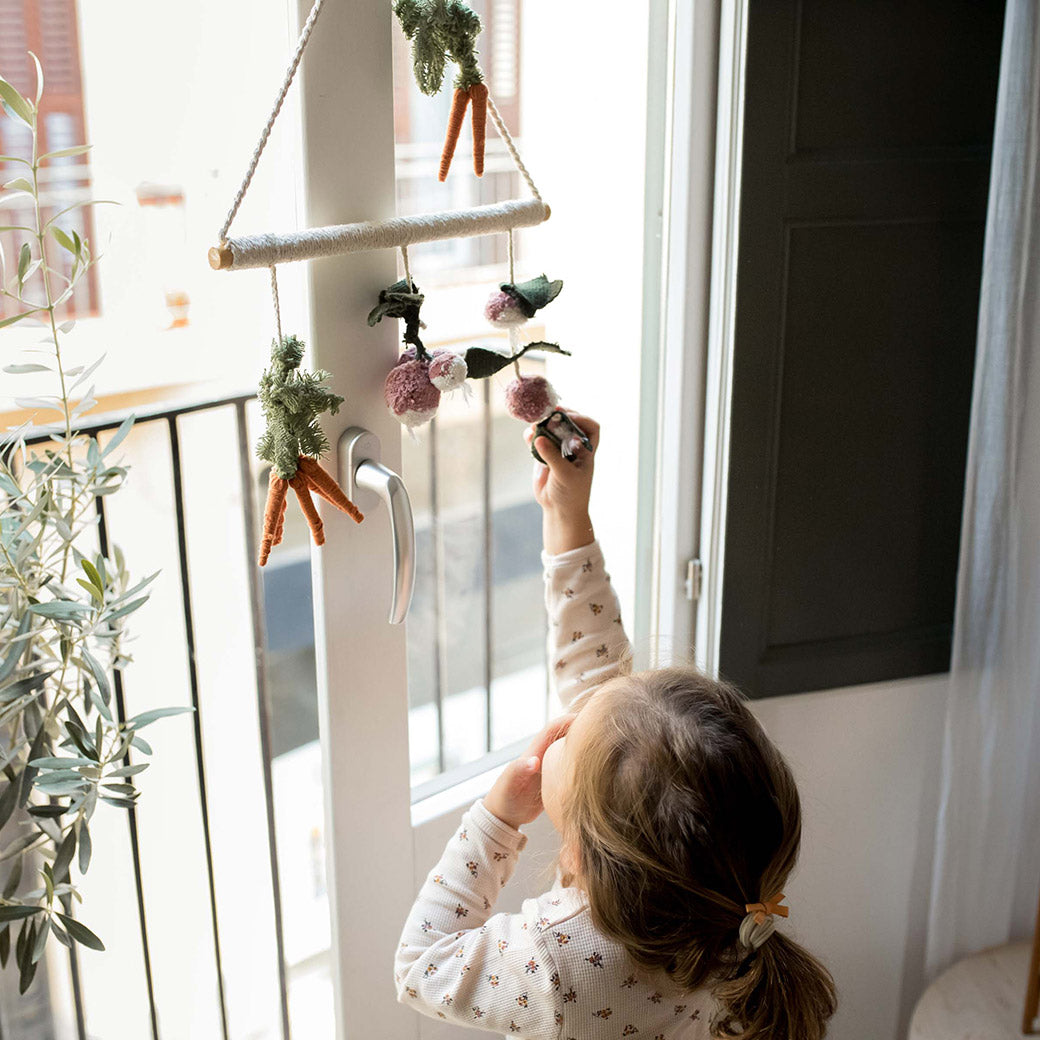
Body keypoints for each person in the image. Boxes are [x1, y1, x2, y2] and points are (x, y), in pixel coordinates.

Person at [394, 414, 836, 1039]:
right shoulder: (722, 905)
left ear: (578, 853)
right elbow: (604, 696)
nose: (568, 726)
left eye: (572, 743)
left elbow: (420, 966)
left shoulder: (556, 961)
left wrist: (493, 822)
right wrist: (567, 516)